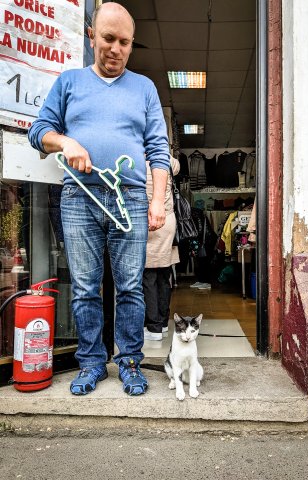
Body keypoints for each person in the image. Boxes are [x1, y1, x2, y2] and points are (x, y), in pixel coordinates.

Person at [28, 2, 170, 396]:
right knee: (86, 287)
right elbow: (38, 130)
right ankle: (91, 363)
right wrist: (65, 140)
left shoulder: (144, 88)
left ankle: (128, 362)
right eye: (108, 38)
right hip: (79, 196)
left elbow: (158, 150)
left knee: (130, 286)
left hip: (130, 197)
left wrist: (157, 201)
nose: (116, 49)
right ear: (92, 36)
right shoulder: (70, 82)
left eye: (125, 42)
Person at [143, 156, 180, 341]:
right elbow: (177, 167)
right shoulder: (168, 161)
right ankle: (163, 323)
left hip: (149, 220)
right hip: (168, 220)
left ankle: (153, 327)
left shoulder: (139, 162)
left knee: (148, 277)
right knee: (164, 274)